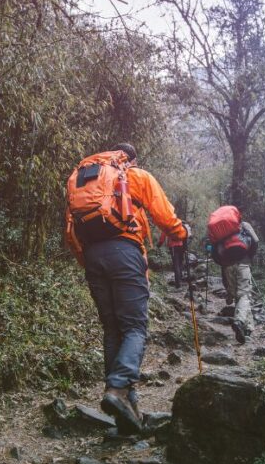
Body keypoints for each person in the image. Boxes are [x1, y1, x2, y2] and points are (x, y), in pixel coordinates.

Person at [65, 143, 188, 434]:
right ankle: (118, 389)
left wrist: (90, 262)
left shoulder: (83, 180)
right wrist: (181, 232)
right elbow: (164, 215)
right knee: (135, 328)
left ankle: (127, 410)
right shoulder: (133, 175)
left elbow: (70, 229)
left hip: (93, 257)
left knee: (112, 329)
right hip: (125, 252)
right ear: (130, 159)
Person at [210, 207, 258, 344]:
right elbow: (256, 240)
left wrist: (223, 264)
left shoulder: (219, 232)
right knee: (244, 294)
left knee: (239, 295)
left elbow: (215, 252)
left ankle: (248, 328)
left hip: (227, 266)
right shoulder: (244, 225)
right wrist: (249, 256)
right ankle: (240, 321)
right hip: (243, 263)